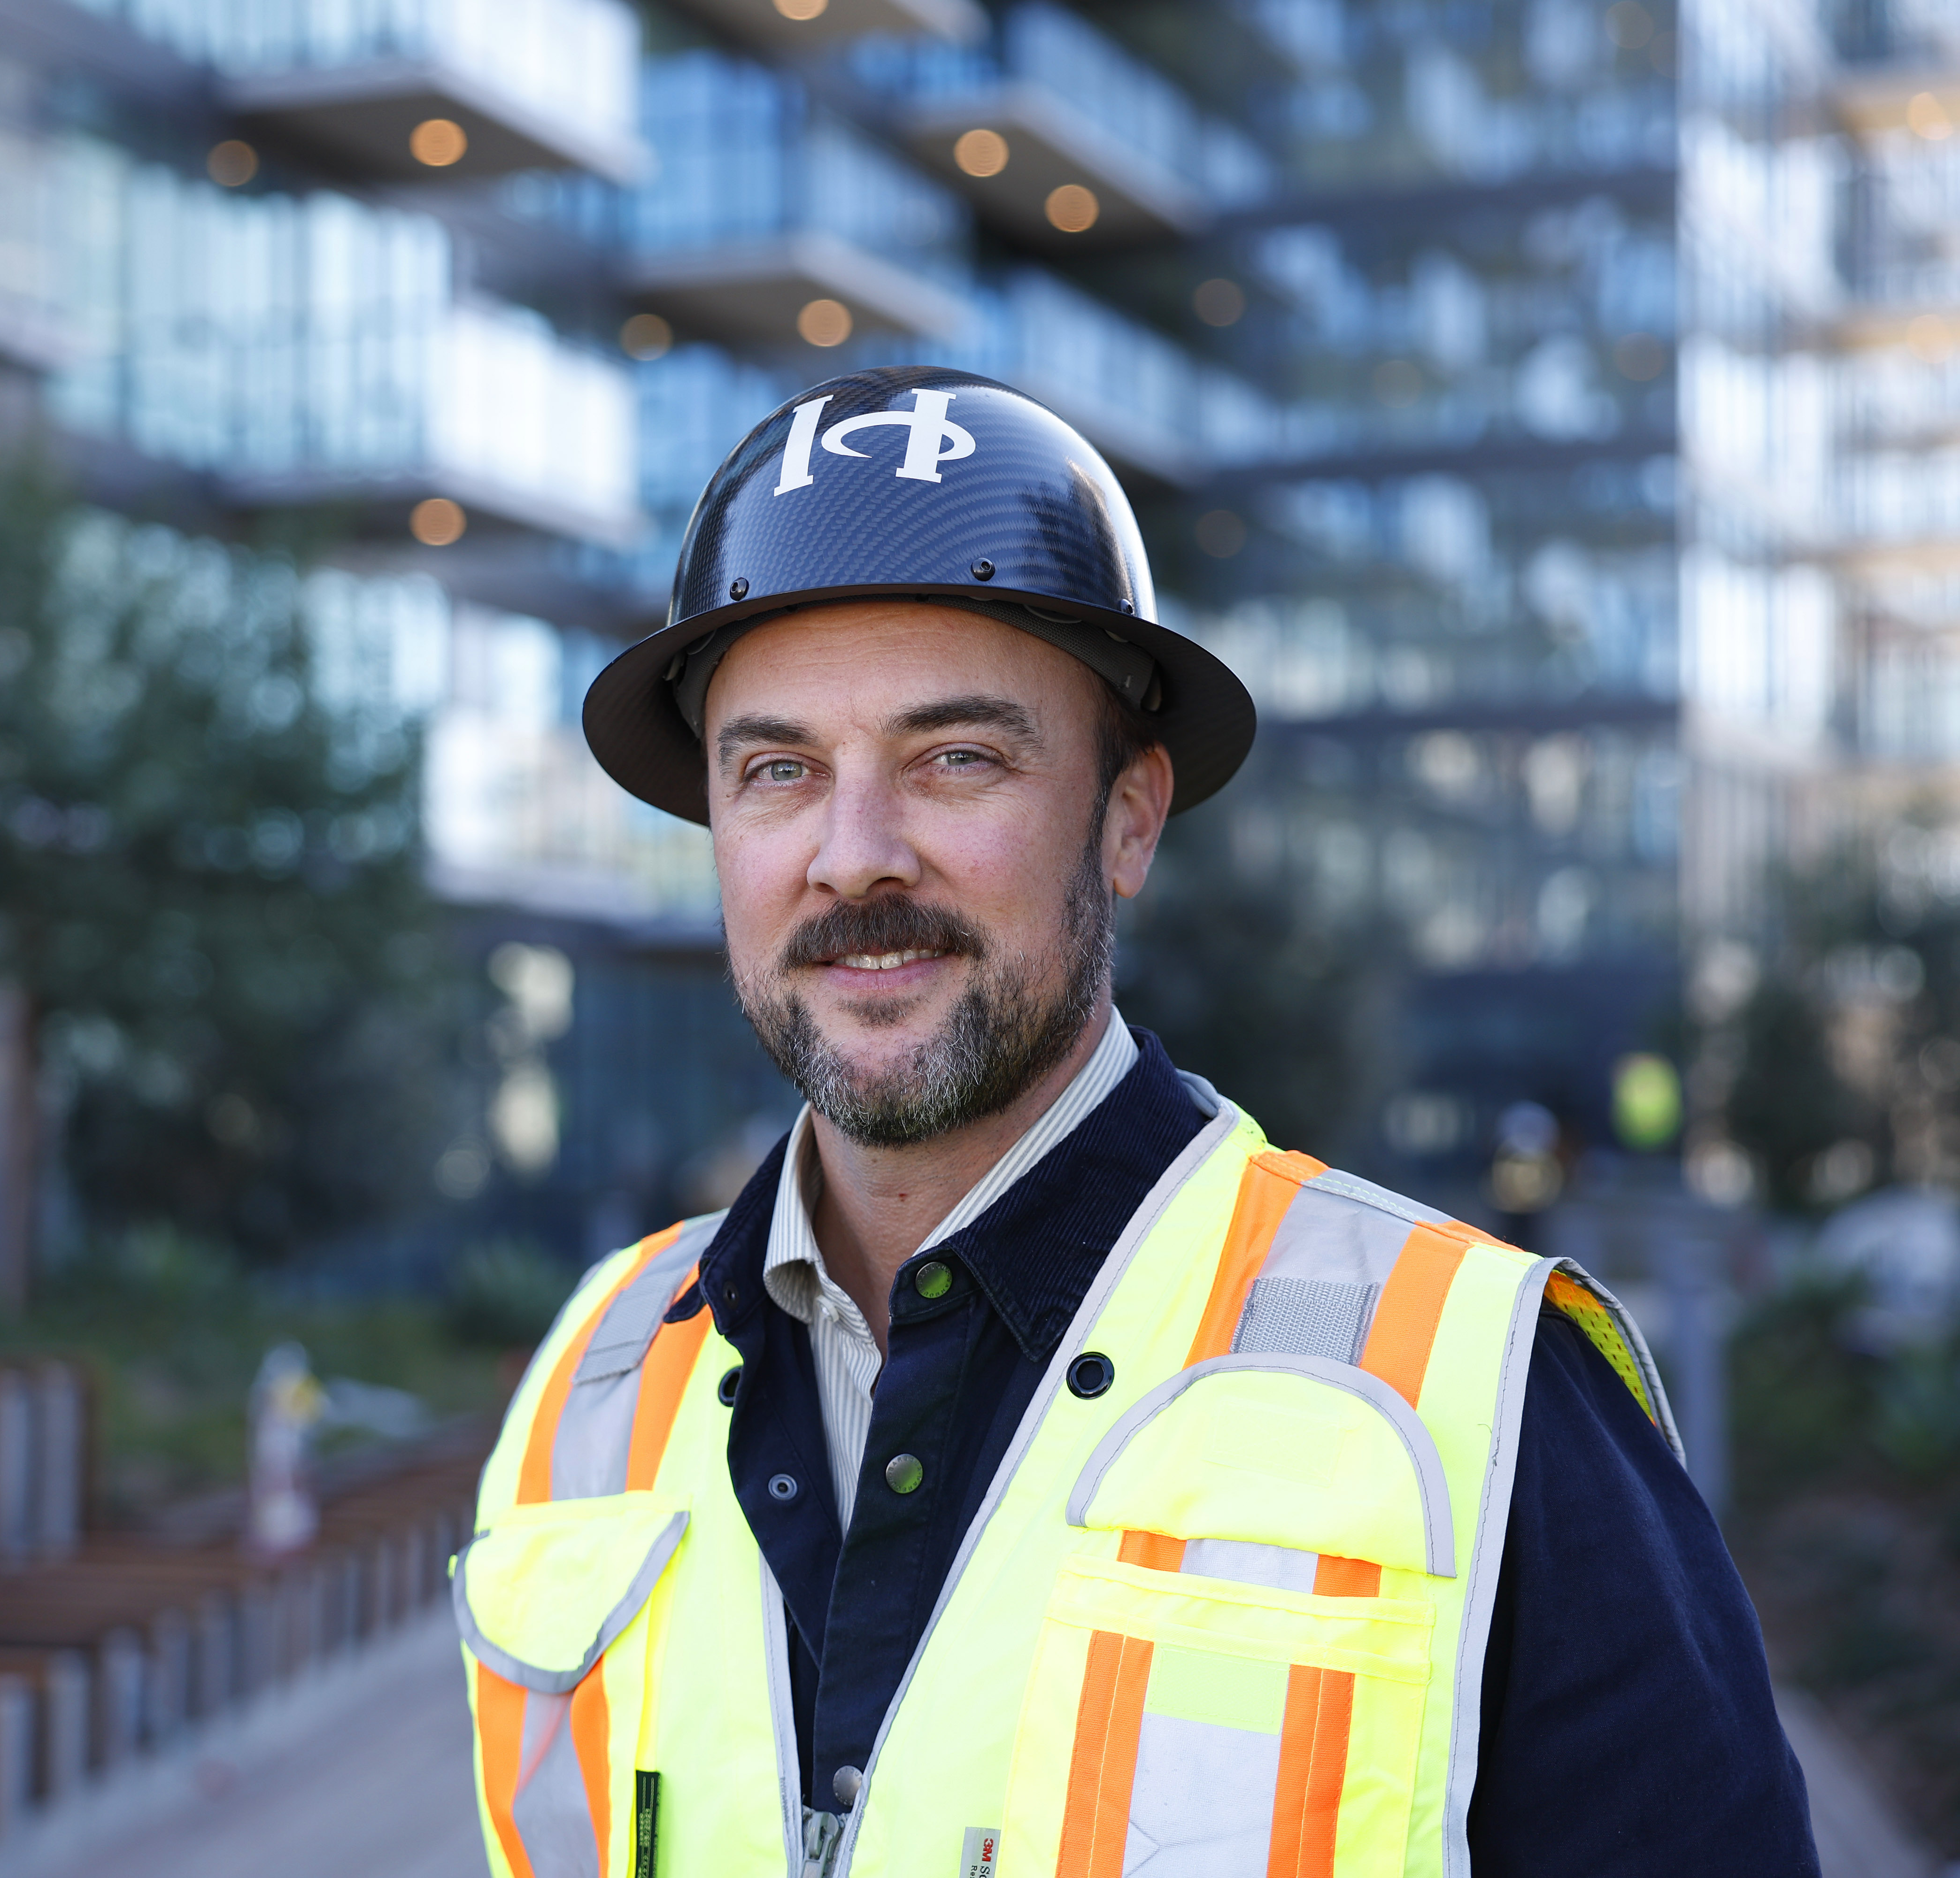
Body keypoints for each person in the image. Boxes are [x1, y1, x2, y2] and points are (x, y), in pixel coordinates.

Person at [452, 368, 1816, 1878]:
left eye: (955, 757)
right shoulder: (592, 1381)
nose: (853, 856)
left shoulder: (1484, 1396)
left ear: (1129, 819)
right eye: (779, 771)